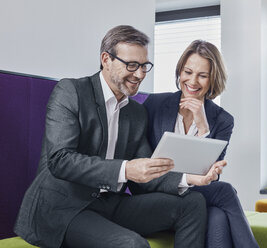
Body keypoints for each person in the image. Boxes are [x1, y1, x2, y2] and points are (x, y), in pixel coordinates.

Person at [13, 25, 225, 248]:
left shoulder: (136, 112)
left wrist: (191, 179)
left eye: (144, 66)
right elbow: (60, 160)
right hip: (63, 207)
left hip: (108, 203)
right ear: (106, 59)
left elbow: (148, 169)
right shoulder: (71, 92)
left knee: (192, 203)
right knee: (132, 244)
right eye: (132, 65)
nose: (140, 74)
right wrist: (125, 169)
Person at [143, 40, 259, 248]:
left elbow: (211, 176)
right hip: (158, 192)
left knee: (217, 216)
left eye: (202, 75)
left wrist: (203, 128)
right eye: (188, 72)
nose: (193, 81)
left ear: (213, 79)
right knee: (225, 192)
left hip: (196, 194)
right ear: (179, 72)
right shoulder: (155, 105)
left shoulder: (223, 120)